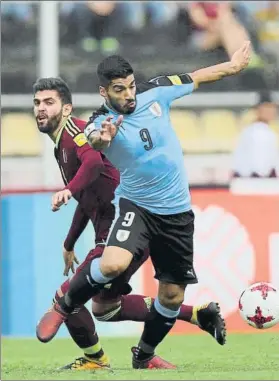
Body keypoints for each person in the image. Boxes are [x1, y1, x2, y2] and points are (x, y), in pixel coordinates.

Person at [36, 42, 250, 369]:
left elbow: (196, 76)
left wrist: (232, 67)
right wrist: (104, 137)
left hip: (177, 213)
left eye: (131, 86)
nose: (129, 94)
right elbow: (95, 143)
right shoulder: (99, 121)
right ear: (104, 92)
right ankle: (66, 307)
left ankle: (145, 355)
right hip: (136, 208)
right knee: (111, 265)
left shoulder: (156, 91)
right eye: (119, 90)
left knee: (169, 296)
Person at [232, 91, 278, 178]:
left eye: (273, 108)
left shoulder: (265, 131)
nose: (272, 111)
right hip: (254, 181)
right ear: (258, 110)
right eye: (267, 107)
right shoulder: (256, 132)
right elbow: (260, 167)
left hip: (257, 180)